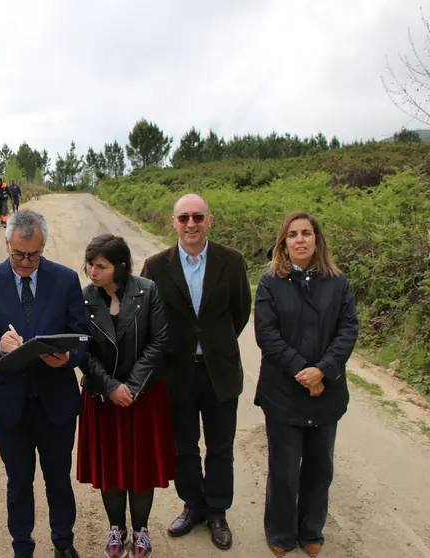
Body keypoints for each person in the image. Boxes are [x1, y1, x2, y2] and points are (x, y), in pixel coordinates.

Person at [0, 209, 86, 558]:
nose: (25, 262)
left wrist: (68, 357)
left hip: (56, 402)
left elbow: (83, 336)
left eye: (33, 255)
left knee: (59, 480)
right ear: (7, 244)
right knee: (18, 483)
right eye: (18, 254)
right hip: (10, 405)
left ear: (43, 246)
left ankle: (63, 543)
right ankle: (22, 547)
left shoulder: (65, 280)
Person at [140, 193, 251, 551]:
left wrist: (215, 344)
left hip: (219, 371)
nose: (191, 224)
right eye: (184, 217)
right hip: (176, 373)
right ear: (174, 222)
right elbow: (146, 319)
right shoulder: (156, 266)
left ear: (209, 221)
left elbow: (240, 312)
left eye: (198, 217)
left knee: (220, 448)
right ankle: (193, 505)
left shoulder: (231, 261)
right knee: (182, 447)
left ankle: (217, 511)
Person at [253, 211, 359, 558]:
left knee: (319, 467)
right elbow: (266, 333)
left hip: (326, 390)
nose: (300, 240)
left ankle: (311, 530)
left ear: (317, 240)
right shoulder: (270, 282)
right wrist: (303, 371)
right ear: (283, 243)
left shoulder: (338, 283)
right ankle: (281, 533)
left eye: (306, 233)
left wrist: (323, 371)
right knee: (284, 469)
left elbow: (348, 330)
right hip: (283, 390)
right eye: (292, 234)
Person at [76, 234, 174, 558]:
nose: (92, 272)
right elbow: (83, 351)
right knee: (111, 468)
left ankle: (141, 530)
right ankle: (116, 529)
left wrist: (130, 387)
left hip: (143, 396)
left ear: (119, 266)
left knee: (141, 467)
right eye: (90, 265)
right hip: (103, 398)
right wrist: (110, 387)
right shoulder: (85, 298)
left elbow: (158, 341)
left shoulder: (147, 291)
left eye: (100, 266)